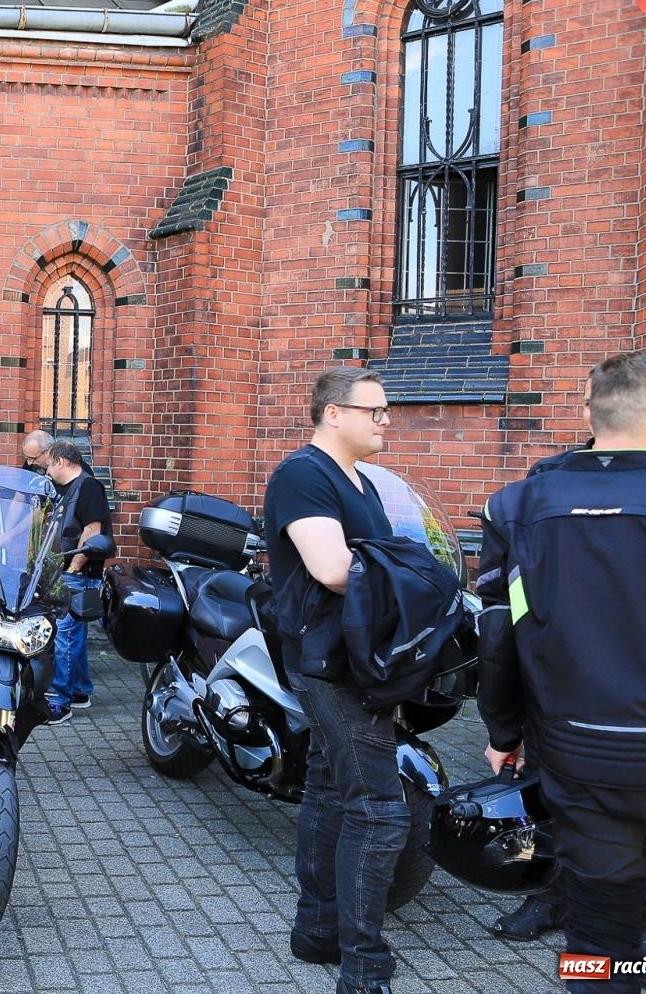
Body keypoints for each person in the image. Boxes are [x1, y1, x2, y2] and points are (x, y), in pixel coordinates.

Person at [478, 352, 646, 994]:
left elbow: (498, 638)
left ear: (593, 414)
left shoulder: (516, 507)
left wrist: (503, 732)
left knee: (597, 941)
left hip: (578, 760)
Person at [264, 367, 401, 994]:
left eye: (385, 410)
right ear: (332, 414)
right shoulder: (304, 474)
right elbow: (334, 568)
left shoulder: (361, 481)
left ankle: (317, 931)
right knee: (378, 808)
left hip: (352, 654)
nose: (384, 420)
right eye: (373, 410)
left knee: (325, 786)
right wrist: (415, 574)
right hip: (327, 659)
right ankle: (364, 967)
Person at [44, 439, 109, 724]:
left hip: (78, 574)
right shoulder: (65, 489)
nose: (46, 471)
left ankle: (61, 701)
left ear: (61, 461)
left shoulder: (89, 487)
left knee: (64, 635)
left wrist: (72, 568)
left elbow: (92, 532)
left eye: (48, 465)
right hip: (69, 571)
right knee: (75, 635)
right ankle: (81, 692)